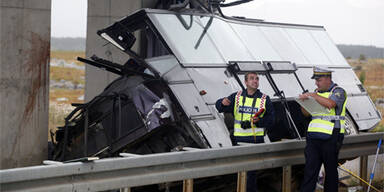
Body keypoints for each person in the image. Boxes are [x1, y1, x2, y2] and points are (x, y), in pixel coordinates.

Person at [216, 72, 275, 192]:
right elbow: (220, 107)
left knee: (250, 175)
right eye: (252, 79)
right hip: (240, 141)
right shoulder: (236, 97)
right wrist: (221, 102)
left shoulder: (264, 99)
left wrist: (259, 121)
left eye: (257, 79)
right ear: (246, 82)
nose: (255, 81)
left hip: (256, 141)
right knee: (242, 174)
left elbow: (271, 120)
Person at [299, 67, 347, 192]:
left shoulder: (339, 92)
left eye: (319, 80)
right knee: (310, 170)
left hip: (332, 136)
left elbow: (331, 104)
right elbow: (306, 114)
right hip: (313, 137)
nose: (316, 83)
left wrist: (313, 96)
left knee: (330, 171)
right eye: (316, 80)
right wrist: (303, 103)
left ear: (327, 79)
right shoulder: (316, 93)